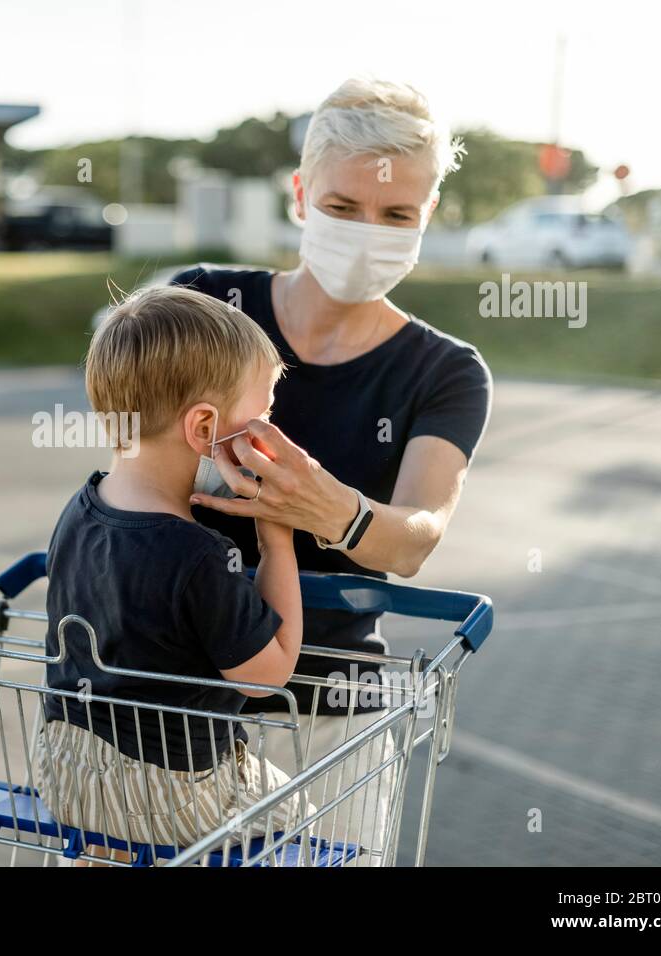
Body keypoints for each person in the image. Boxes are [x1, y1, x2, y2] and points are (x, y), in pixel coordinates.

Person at [177, 78, 493, 864]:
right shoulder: (205, 305)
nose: (366, 233)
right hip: (174, 692)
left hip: (333, 713)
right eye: (344, 207)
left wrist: (334, 511)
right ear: (300, 195)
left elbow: (414, 537)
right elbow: (133, 478)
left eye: (397, 216)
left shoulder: (445, 372)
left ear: (427, 220)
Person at [36, 285, 314, 861]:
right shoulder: (197, 555)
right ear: (205, 428)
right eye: (260, 415)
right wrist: (276, 536)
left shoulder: (79, 511)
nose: (267, 431)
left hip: (64, 775)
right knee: (309, 818)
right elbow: (267, 676)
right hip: (168, 794)